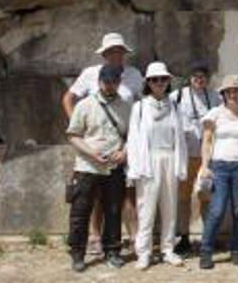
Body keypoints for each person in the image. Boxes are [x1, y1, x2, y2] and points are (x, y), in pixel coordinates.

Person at [61, 33, 145, 257]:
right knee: (91, 197)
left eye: (119, 50)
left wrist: (130, 145)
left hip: (124, 143)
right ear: (104, 54)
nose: (115, 54)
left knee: (123, 194)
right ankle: (94, 237)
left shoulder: (134, 74)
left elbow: (142, 104)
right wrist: (81, 128)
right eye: (111, 51)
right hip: (93, 148)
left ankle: (127, 239)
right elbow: (68, 99)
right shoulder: (90, 74)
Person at [65, 63, 132, 272]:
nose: (110, 85)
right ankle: (77, 253)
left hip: (114, 167)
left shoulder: (126, 107)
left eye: (114, 82)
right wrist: (91, 153)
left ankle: (112, 250)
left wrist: (124, 153)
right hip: (87, 166)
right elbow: (73, 135)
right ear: (99, 82)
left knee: (113, 210)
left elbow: (132, 136)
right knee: (80, 211)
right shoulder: (85, 105)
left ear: (119, 83)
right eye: (106, 82)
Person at [197, 74, 238, 270]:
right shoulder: (214, 114)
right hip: (219, 167)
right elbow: (207, 141)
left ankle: (237, 249)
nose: (233, 94)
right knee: (217, 210)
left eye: (236, 91)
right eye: (229, 91)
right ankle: (206, 252)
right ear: (223, 94)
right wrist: (205, 165)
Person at [126, 62, 186, 269]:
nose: (159, 83)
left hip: (169, 157)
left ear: (168, 81)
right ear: (148, 83)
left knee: (170, 207)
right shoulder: (139, 107)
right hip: (147, 161)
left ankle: (168, 249)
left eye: (163, 79)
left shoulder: (175, 106)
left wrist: (181, 165)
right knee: (146, 208)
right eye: (154, 79)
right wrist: (134, 168)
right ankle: (144, 252)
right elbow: (133, 140)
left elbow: (180, 139)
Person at [171, 61, 220, 254]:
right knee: (183, 197)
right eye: (195, 76)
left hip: (208, 155)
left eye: (203, 76)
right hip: (185, 154)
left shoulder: (215, 97)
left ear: (207, 79)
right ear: (189, 78)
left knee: (206, 196)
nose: (199, 80)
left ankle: (208, 236)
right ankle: (184, 236)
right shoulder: (178, 96)